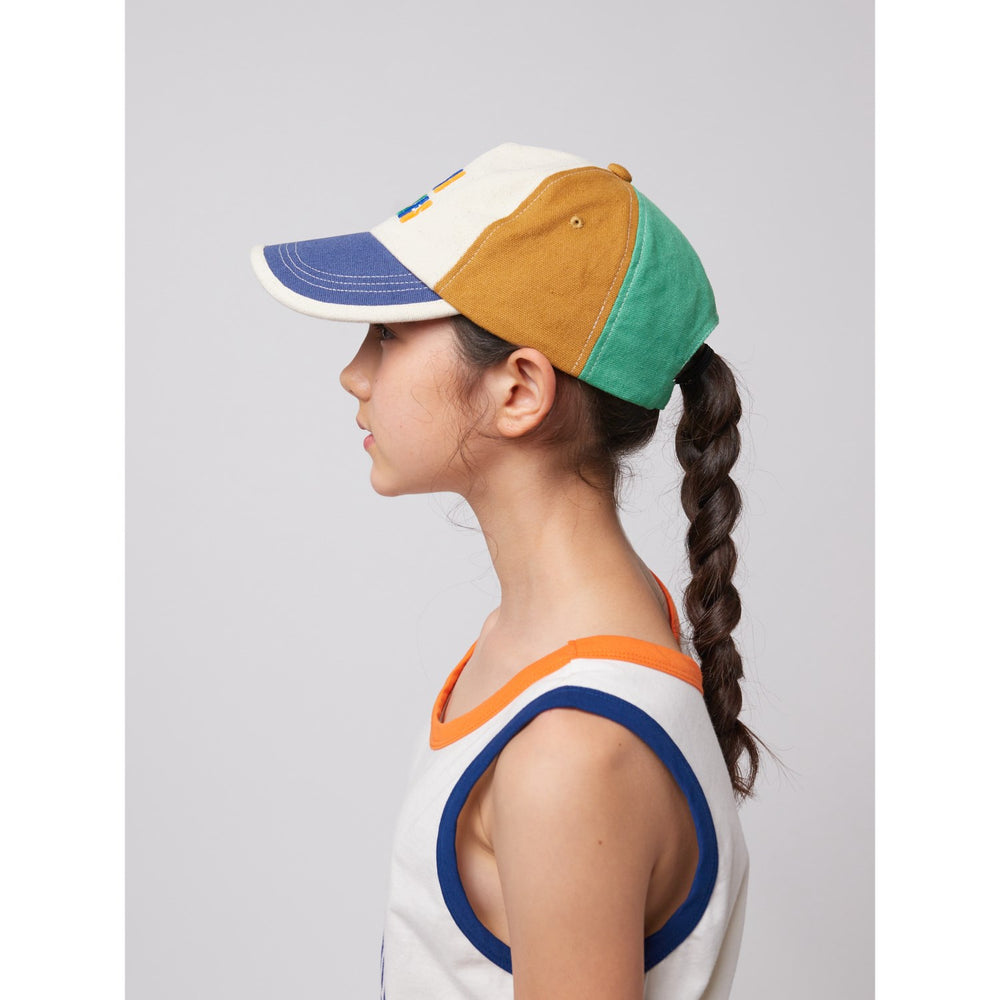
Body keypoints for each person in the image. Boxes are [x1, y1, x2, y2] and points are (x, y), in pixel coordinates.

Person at [250, 142, 762, 1000]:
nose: (353, 373)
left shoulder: (571, 751)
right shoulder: (576, 630)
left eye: (389, 333)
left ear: (519, 389)